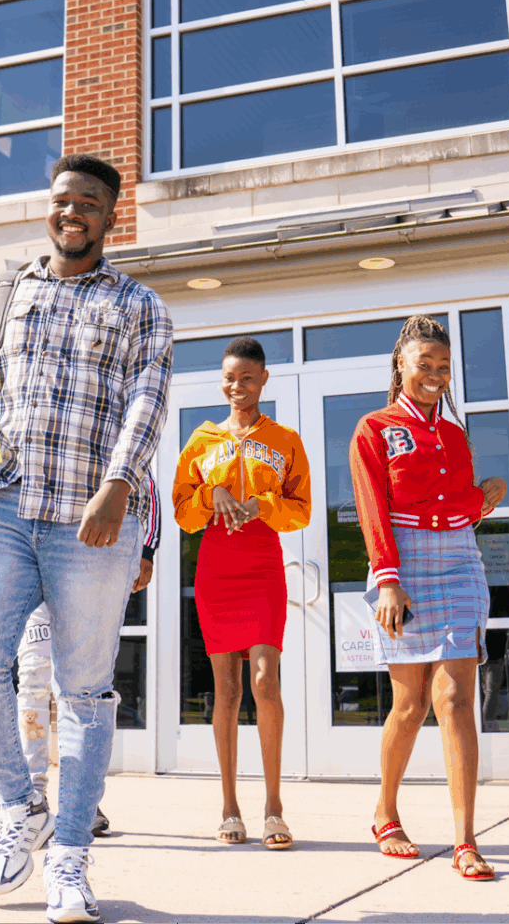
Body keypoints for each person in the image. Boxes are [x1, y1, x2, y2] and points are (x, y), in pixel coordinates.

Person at [0, 154, 173, 924]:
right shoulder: (4, 292)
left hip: (93, 520)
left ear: (110, 217)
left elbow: (148, 397)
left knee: (85, 693)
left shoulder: (140, 304)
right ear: (50, 207)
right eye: (64, 200)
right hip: (4, 506)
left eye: (90, 203)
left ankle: (69, 855)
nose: (74, 213)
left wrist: (119, 483)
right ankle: (18, 803)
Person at [349, 315, 506, 881]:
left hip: (459, 559)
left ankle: (465, 840)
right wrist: (387, 577)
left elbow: (456, 503)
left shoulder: (455, 433)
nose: (435, 375)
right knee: (410, 704)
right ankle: (385, 811)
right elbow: (372, 508)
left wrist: (484, 498)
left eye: (443, 366)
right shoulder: (374, 427)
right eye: (425, 365)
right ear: (401, 366)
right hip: (404, 562)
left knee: (455, 699)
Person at [172, 336, 312, 851]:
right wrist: (216, 494)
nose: (237, 387)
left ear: (263, 380)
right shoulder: (202, 440)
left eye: (247, 378)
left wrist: (262, 506)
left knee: (264, 680)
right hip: (217, 567)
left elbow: (302, 508)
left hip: (262, 565)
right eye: (230, 378)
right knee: (226, 688)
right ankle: (229, 806)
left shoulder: (285, 439)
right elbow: (182, 510)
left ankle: (274, 807)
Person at [13, 472, 161, 838]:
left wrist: (146, 551)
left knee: (81, 688)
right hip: (33, 563)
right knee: (32, 679)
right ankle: (32, 797)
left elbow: (149, 489)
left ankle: (81, 800)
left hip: (87, 569)